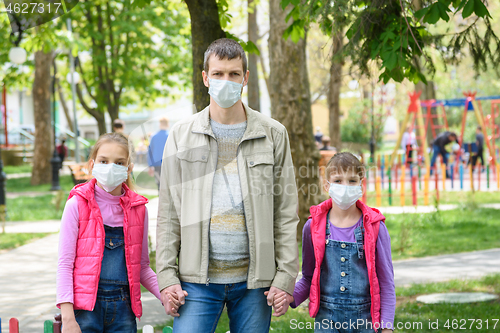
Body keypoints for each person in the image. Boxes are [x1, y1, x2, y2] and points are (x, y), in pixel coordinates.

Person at [156, 38, 299, 333]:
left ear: (245, 78)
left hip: (254, 283)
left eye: (234, 74)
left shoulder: (273, 134)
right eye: (218, 73)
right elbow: (168, 213)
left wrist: (284, 278)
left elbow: (285, 213)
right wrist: (167, 277)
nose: (226, 81)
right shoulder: (182, 135)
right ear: (206, 78)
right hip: (195, 283)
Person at [56, 132, 161, 332]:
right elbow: (65, 265)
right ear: (92, 165)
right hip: (85, 311)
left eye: (119, 163)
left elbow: (143, 267)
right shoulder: (77, 204)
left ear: (129, 169)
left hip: (123, 311)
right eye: (104, 161)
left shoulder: (139, 210)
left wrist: (164, 293)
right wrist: (68, 318)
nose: (111, 167)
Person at [285, 152, 395, 332]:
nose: (345, 186)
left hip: (365, 321)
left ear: (361, 184)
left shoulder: (375, 227)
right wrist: (291, 296)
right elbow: (309, 277)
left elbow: (386, 283)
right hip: (326, 319)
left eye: (352, 180)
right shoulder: (312, 227)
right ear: (326, 185)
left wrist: (387, 326)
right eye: (338, 180)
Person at [147, 117, 170, 189]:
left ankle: (161, 199)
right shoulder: (170, 135)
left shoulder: (154, 136)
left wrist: (150, 166)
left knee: (159, 184)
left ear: (159, 124)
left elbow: (150, 151)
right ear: (168, 124)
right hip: (168, 163)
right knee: (168, 184)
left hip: (157, 164)